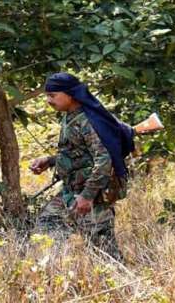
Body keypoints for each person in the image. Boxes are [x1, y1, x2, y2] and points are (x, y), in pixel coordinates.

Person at [30, 72, 135, 260]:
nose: (48, 101)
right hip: (71, 191)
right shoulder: (70, 116)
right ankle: (49, 274)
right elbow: (78, 152)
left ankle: (122, 285)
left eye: (53, 95)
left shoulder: (87, 121)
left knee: (105, 254)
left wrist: (87, 196)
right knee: (47, 227)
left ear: (70, 95)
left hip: (93, 196)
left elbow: (104, 160)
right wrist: (50, 161)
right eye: (47, 96)